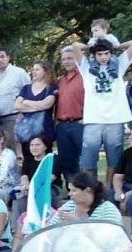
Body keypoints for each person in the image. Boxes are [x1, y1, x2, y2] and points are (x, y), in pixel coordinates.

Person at [73, 37, 132, 178]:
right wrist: (91, 47)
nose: (103, 57)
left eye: (106, 53)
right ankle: (91, 189)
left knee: (114, 160)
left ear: (111, 53)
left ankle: (109, 190)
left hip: (115, 118)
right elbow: (75, 45)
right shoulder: (86, 67)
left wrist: (115, 45)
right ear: (94, 55)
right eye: (99, 54)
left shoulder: (119, 65)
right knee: (88, 160)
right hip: (93, 119)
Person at [0, 48, 31, 152]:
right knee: (0, 150)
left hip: (14, 117)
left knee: (15, 148)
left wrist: (22, 113)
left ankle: (18, 169)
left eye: (2, 57)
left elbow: (28, 92)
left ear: (8, 58)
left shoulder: (19, 73)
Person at [55, 46, 86, 179]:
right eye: (64, 59)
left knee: (84, 159)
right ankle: (71, 191)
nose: (66, 62)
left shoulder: (85, 77)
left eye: (70, 58)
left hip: (79, 123)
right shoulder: (60, 80)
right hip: (62, 125)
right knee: (67, 160)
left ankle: (86, 189)